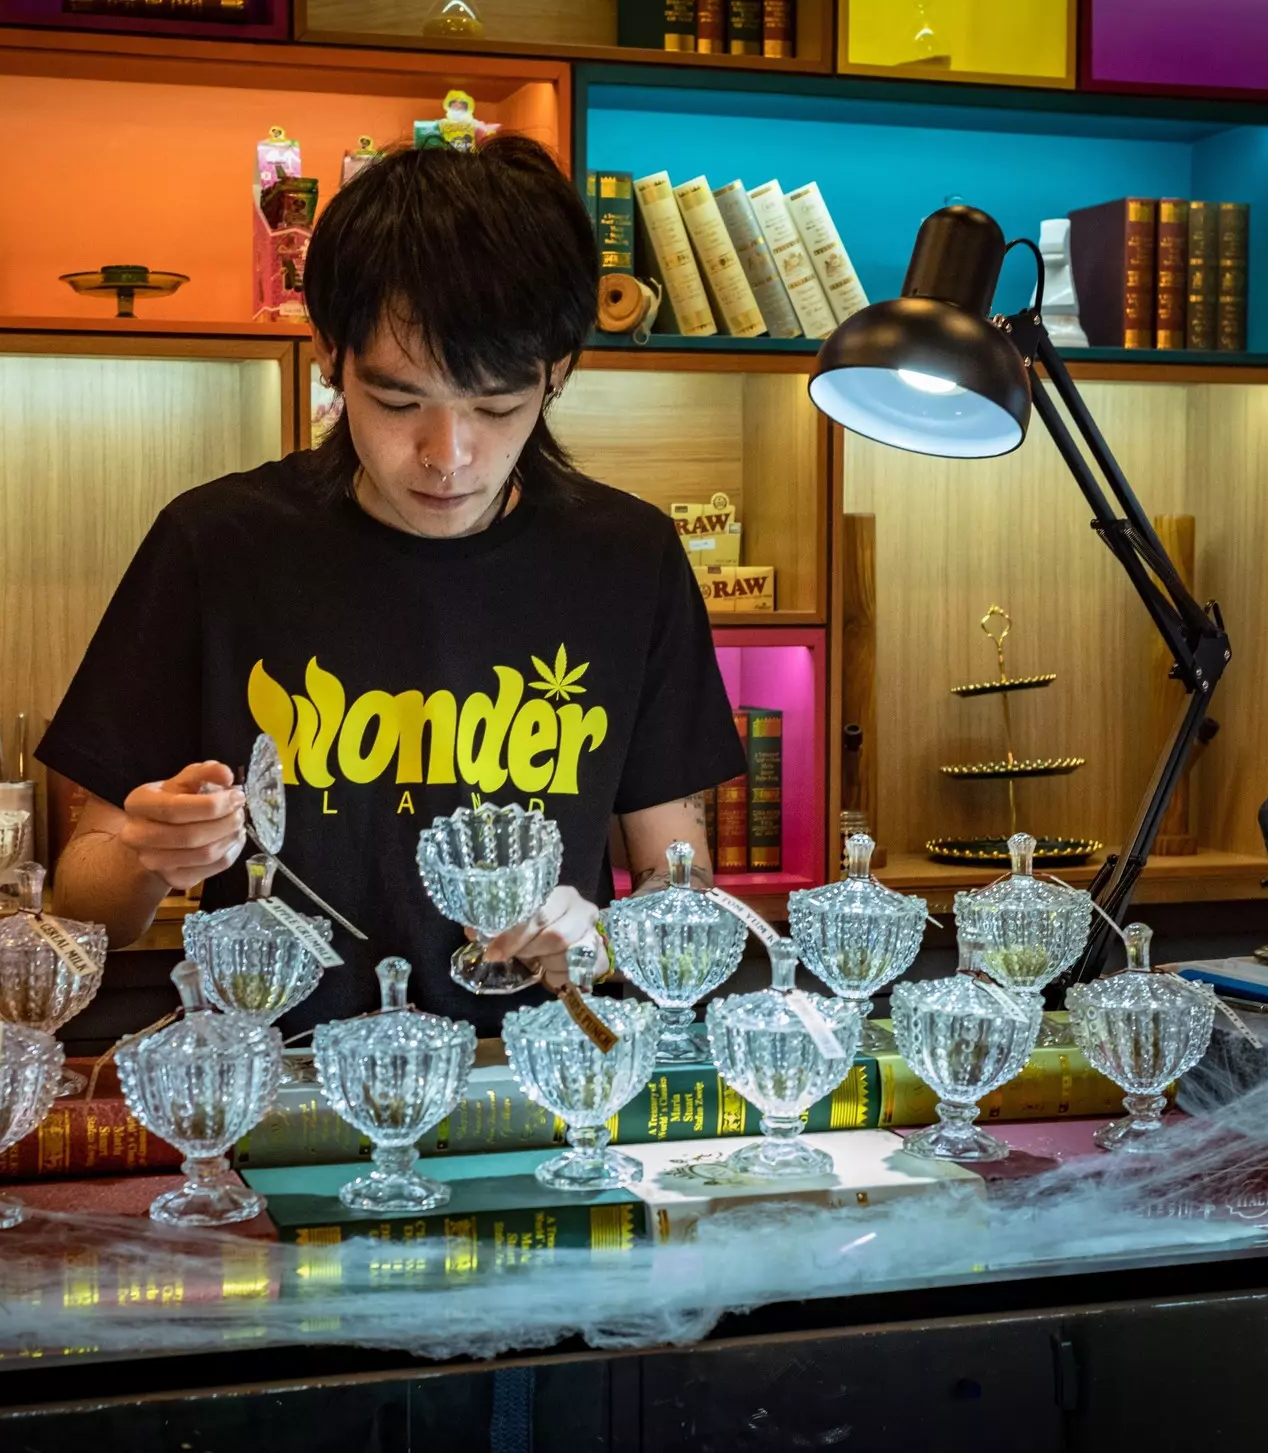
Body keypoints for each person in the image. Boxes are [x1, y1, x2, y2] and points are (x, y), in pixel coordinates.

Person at [37, 135, 746, 1031]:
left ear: (557, 369)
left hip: (534, 1094)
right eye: (399, 401)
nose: (448, 456)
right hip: (280, 1103)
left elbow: (674, 879)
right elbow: (83, 901)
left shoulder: (628, 557)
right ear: (330, 354)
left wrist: (603, 942)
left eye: (495, 406)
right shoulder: (216, 545)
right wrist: (146, 850)